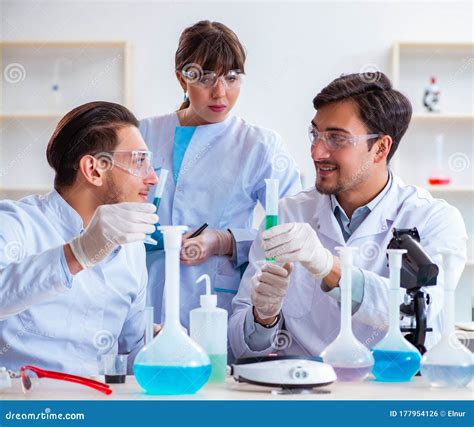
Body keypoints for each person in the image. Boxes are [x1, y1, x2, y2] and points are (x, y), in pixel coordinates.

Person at [229, 72, 467, 358]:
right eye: (315, 134)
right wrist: (263, 317)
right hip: (302, 389)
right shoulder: (288, 213)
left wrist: (327, 266)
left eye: (336, 139)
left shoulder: (434, 220)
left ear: (380, 148)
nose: (316, 152)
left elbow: (421, 311)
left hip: (389, 391)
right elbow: (240, 348)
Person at [140, 20, 301, 329]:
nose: (220, 93)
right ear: (181, 78)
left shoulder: (259, 145)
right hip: (144, 289)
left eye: (231, 77)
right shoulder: (143, 134)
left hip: (215, 298)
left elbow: (293, 233)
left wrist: (224, 241)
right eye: (205, 78)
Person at [0, 101, 159, 375]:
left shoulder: (131, 249)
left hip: (99, 408)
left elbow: (129, 351)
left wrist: (161, 345)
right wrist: (78, 254)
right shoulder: (16, 224)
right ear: (94, 170)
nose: (153, 178)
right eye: (139, 161)